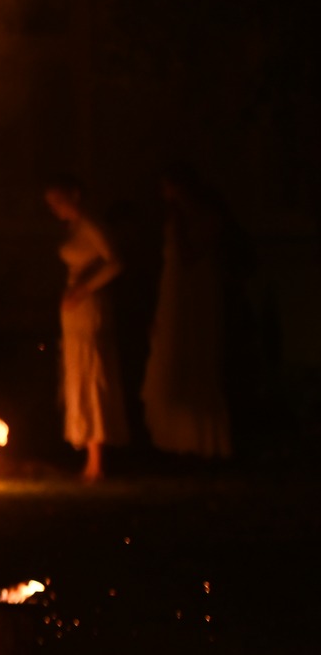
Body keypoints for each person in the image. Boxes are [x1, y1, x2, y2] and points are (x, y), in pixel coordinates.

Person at [141, 169, 233, 458]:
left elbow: (188, 255)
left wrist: (179, 221)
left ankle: (201, 440)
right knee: (169, 358)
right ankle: (175, 441)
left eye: (170, 189)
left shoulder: (206, 218)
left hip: (195, 292)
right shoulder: (175, 219)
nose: (166, 196)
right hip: (174, 292)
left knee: (195, 358)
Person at [45, 178, 126, 481]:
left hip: (89, 307)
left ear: (75, 195)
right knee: (79, 373)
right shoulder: (74, 228)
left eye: (59, 201)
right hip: (74, 311)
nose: (55, 208)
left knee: (91, 373)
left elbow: (115, 262)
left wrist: (83, 290)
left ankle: (96, 461)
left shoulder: (91, 224)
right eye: (50, 204)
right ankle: (91, 460)